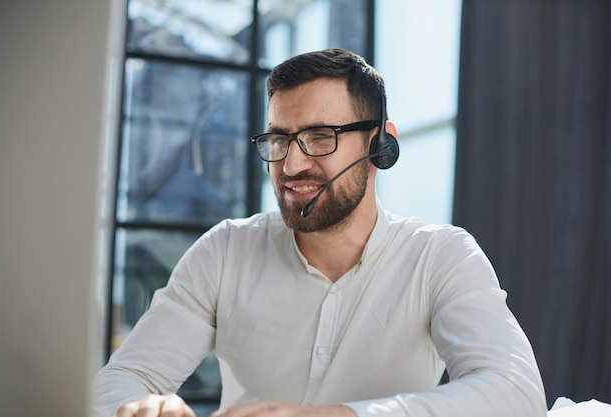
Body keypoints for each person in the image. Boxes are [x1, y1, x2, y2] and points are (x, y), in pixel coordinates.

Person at [94, 48, 547, 417]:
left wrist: (335, 416)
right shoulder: (225, 250)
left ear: (381, 144)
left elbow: (516, 395)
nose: (291, 165)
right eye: (278, 140)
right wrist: (142, 406)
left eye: (319, 136)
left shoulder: (442, 257)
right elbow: (121, 380)